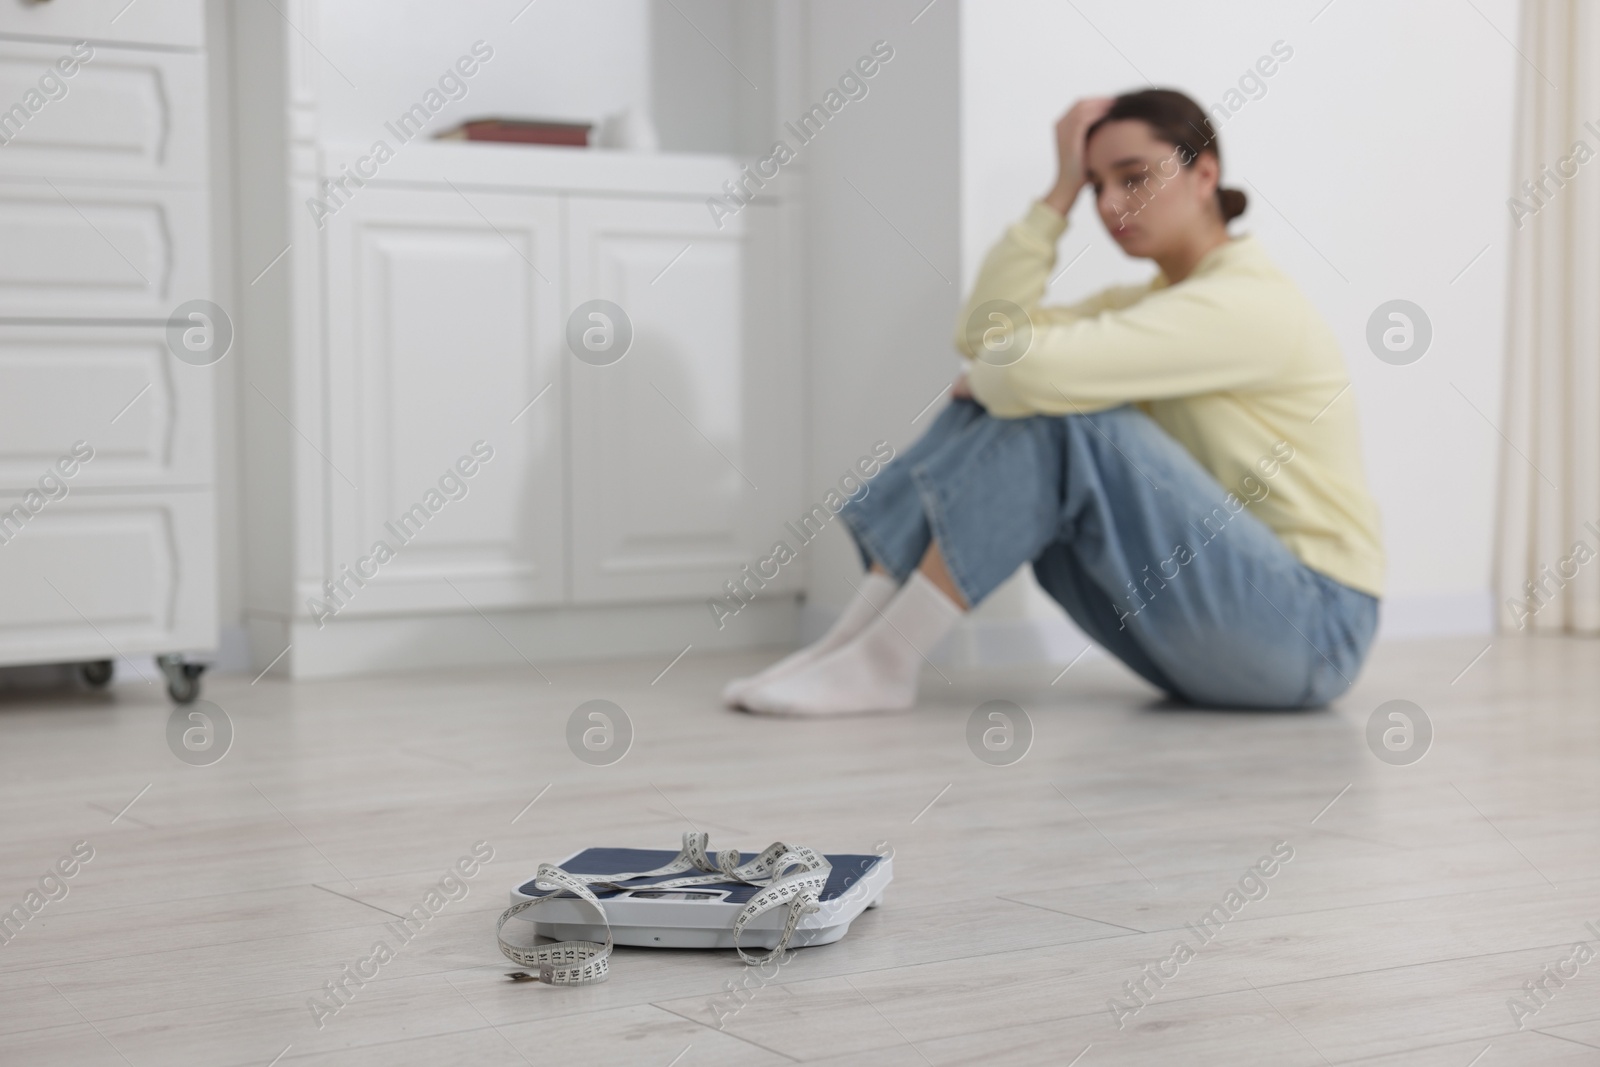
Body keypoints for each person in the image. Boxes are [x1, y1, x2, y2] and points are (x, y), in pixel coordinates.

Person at [724, 88, 1384, 716]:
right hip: (1220, 629)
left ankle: (883, 657)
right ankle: (859, 640)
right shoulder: (1153, 304)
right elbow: (984, 333)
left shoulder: (1248, 304)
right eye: (1096, 186)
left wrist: (992, 377)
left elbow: (1013, 369)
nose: (1110, 203)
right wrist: (1057, 195)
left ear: (1204, 174)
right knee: (1029, 399)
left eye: (1133, 177)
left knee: (1059, 417)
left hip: (1313, 628)